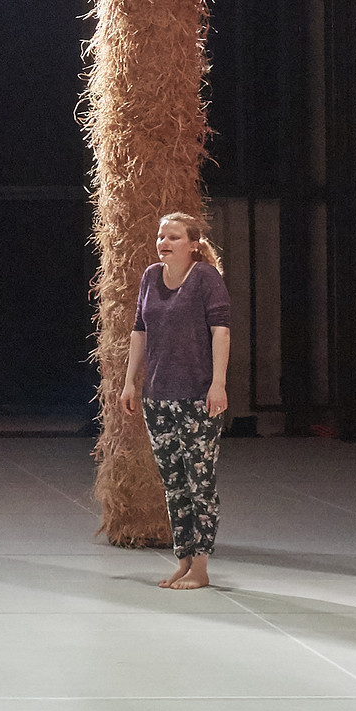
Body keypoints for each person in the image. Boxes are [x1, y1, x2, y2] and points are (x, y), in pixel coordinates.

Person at [118, 211, 233, 592]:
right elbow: (140, 331)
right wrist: (130, 383)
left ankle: (201, 566)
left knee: (200, 482)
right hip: (158, 396)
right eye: (161, 236)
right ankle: (183, 561)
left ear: (194, 244)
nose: (163, 243)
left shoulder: (205, 278)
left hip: (197, 396)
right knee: (174, 484)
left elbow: (221, 332)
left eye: (174, 237)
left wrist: (218, 384)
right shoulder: (151, 276)